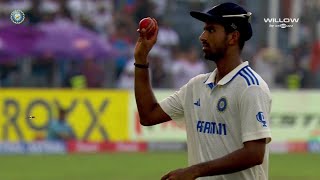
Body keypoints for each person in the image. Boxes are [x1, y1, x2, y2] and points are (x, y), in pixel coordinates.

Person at [134, 2, 272, 180]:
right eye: (204, 29)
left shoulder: (251, 87)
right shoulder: (196, 86)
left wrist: (194, 170)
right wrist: (141, 59)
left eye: (211, 30)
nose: (202, 36)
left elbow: (254, 153)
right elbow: (148, 115)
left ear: (233, 37)